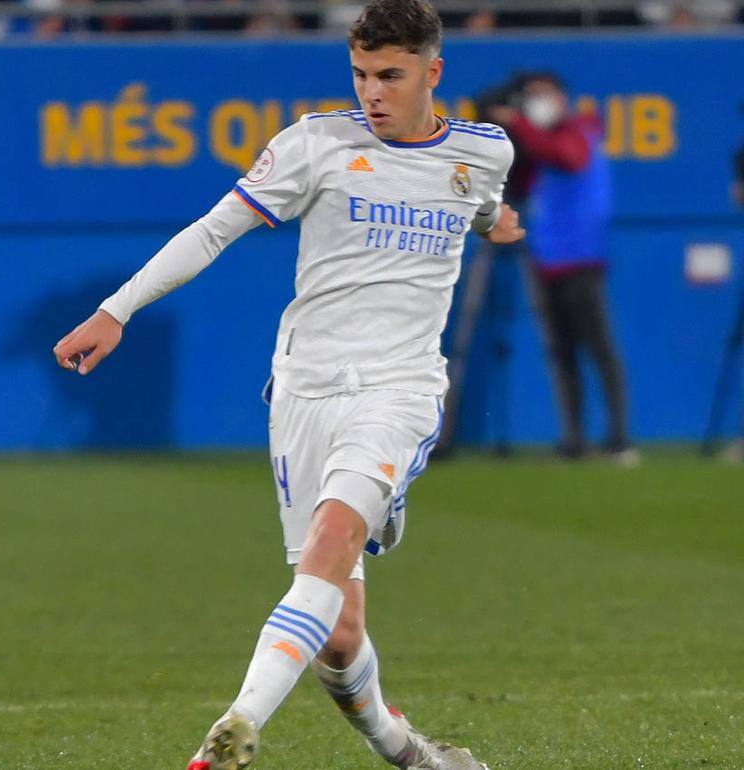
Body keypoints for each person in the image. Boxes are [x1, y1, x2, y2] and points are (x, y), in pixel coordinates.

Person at [52, 0, 522, 767]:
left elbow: (480, 197)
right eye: (362, 75)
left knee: (334, 541)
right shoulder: (317, 144)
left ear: (432, 73)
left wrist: (496, 221)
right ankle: (411, 753)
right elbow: (213, 230)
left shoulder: (484, 151)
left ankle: (233, 731)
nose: (373, 92)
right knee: (337, 637)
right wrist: (117, 309)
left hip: (400, 388)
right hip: (304, 391)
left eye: (391, 76)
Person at [487, 73, 634, 462]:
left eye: (542, 94)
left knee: (599, 350)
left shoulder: (580, 129)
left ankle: (619, 438)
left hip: (582, 259)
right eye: (530, 96)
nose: (536, 102)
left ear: (562, 97)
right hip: (548, 260)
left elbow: (569, 158)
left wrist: (518, 123)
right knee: (562, 353)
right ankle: (574, 439)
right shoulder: (538, 143)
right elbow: (517, 182)